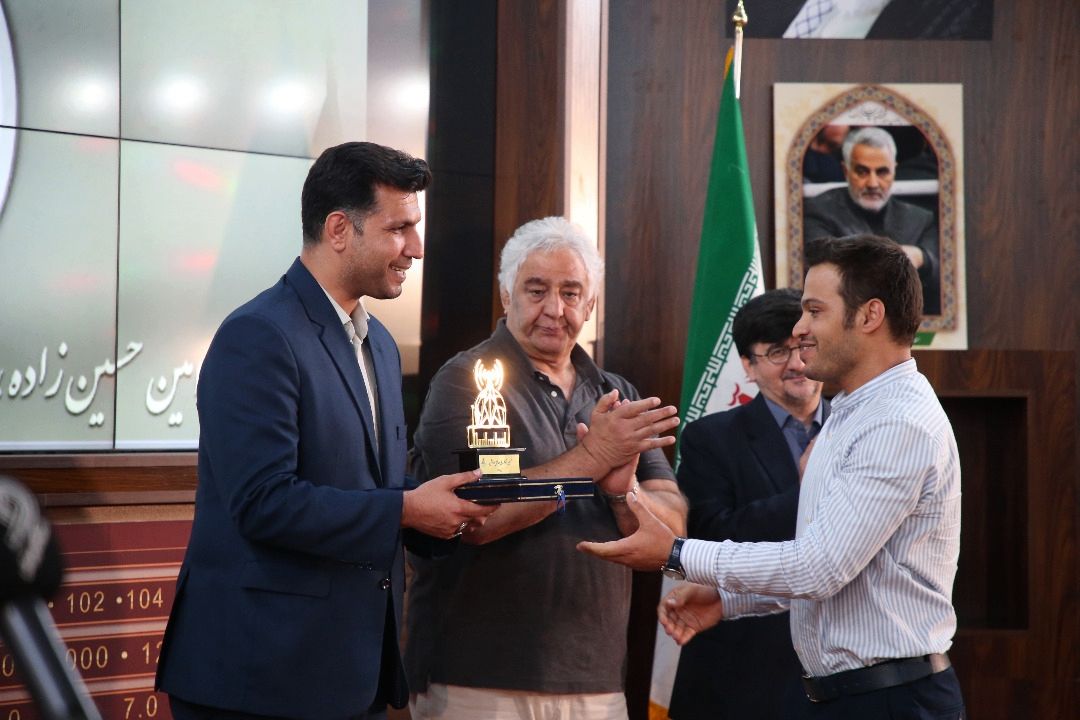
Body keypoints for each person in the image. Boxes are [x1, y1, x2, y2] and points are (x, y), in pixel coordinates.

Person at [156, 142, 498, 720]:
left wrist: (446, 509)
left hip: (351, 675)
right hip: (259, 678)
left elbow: (371, 485)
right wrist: (407, 510)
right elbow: (263, 503)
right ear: (339, 229)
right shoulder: (258, 336)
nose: (416, 248)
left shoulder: (380, 344)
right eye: (399, 229)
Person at [579, 234, 965, 719]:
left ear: (870, 316)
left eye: (814, 311)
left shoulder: (896, 422)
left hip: (888, 701)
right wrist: (732, 602)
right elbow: (850, 576)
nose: (800, 329)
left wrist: (677, 553)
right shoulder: (854, 410)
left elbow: (819, 568)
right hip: (848, 696)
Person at [405, 216, 686, 720]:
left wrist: (624, 493)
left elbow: (673, 531)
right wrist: (592, 460)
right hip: (477, 678)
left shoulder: (616, 395)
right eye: (536, 291)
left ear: (590, 305)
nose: (554, 309)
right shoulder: (467, 380)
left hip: (597, 681)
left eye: (571, 293)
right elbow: (475, 517)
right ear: (506, 296)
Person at [669, 288, 828, 720]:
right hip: (742, 674)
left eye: (804, 346)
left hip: (839, 672)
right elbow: (710, 539)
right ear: (748, 365)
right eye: (777, 352)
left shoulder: (856, 428)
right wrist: (804, 496)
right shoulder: (709, 438)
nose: (797, 363)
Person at [803, 126, 941, 314]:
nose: (873, 183)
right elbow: (826, 272)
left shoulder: (920, 219)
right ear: (846, 171)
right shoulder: (819, 211)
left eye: (882, 172)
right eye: (862, 172)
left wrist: (922, 258)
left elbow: (946, 282)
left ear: (894, 171)